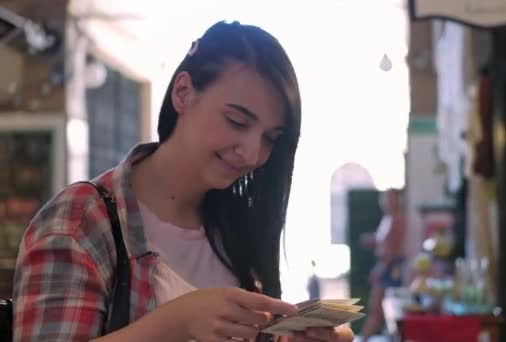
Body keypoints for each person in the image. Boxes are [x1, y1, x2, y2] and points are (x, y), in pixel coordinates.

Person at [12, 20, 354, 342]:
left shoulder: (232, 224)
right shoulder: (80, 220)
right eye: (236, 121)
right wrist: (175, 322)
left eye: (270, 138)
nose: (252, 154)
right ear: (183, 92)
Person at [358, 188, 406, 341]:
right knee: (381, 309)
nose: (387, 202)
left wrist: (381, 268)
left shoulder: (398, 219)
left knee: (379, 308)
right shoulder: (387, 219)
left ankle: (364, 338)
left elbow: (393, 249)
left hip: (390, 267)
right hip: (384, 265)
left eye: (391, 198)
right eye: (385, 198)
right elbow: (383, 241)